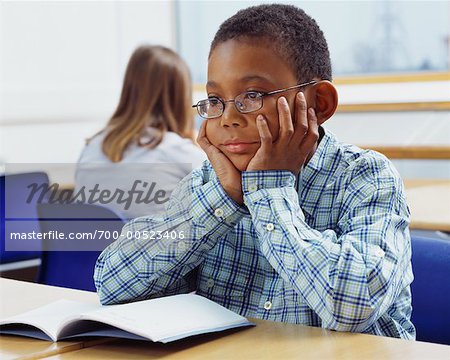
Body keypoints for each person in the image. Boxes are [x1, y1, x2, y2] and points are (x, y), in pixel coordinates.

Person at [94, 4, 414, 340]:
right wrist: (224, 198)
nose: (228, 118)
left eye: (252, 95)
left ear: (319, 104)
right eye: (215, 99)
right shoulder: (211, 182)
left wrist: (268, 191)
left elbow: (353, 306)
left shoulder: (366, 175)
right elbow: (114, 286)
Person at [75, 45, 206, 219]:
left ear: (129, 90)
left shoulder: (92, 147)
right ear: (181, 96)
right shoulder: (178, 151)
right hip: (156, 246)